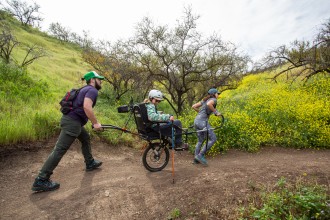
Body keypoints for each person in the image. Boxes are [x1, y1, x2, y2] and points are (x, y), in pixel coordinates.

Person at [32, 71, 105, 192]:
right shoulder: (92, 90)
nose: (101, 81)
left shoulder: (84, 89)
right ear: (92, 80)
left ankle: (90, 162)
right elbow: (87, 107)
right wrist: (95, 123)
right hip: (72, 123)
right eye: (99, 79)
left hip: (73, 121)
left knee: (85, 138)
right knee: (59, 149)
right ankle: (41, 179)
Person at [192, 88, 221, 165]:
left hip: (196, 121)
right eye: (217, 93)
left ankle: (195, 159)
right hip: (202, 122)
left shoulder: (204, 100)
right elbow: (209, 104)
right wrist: (216, 112)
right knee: (213, 138)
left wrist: (200, 113)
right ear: (214, 94)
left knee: (200, 140)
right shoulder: (213, 100)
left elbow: (193, 106)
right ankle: (200, 155)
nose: (218, 95)